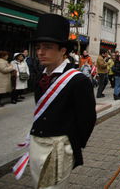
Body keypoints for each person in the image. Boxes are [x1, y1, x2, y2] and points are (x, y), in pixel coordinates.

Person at [16, 13, 96, 188]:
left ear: (62, 50)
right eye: (38, 47)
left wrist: (71, 146)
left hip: (59, 147)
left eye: (47, 47)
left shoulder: (78, 80)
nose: (40, 52)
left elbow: (87, 119)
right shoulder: (40, 77)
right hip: (37, 144)